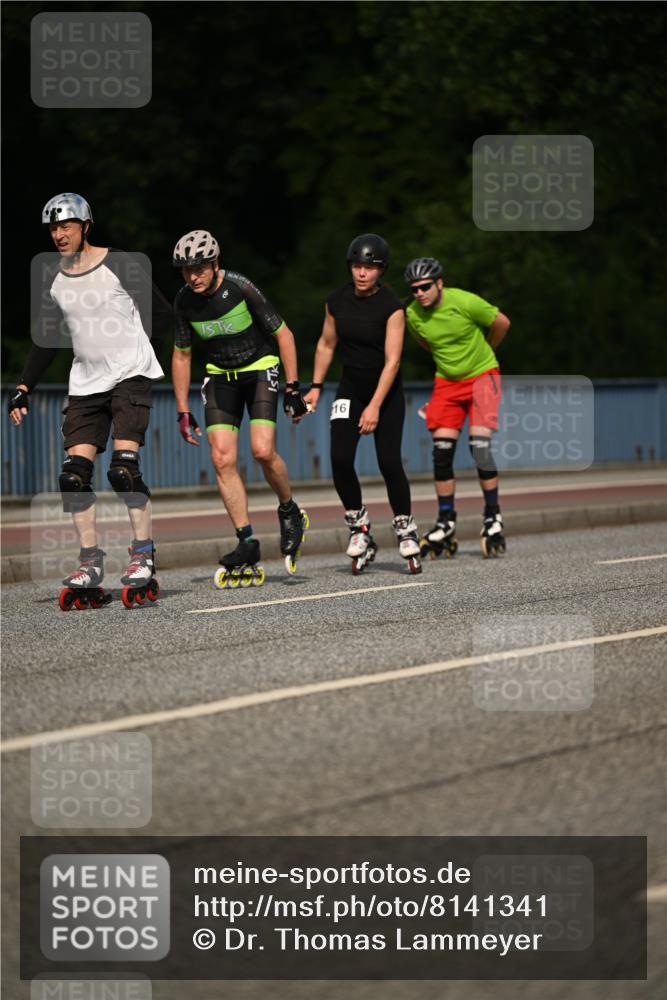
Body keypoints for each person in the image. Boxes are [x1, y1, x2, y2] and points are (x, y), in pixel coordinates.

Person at [7, 192, 171, 608]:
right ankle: (90, 562)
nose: (59, 234)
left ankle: (142, 553)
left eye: (66, 226)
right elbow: (46, 339)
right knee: (73, 476)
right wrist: (24, 386)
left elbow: (163, 315)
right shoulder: (55, 278)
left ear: (86, 226)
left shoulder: (121, 263)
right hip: (85, 383)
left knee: (123, 471)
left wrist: (132, 349)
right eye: (53, 228)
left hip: (130, 376)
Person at [171, 230, 308, 583]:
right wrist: (182, 409)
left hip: (260, 368)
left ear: (215, 264)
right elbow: (183, 355)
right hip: (220, 376)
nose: (192, 277)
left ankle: (290, 511)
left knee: (262, 451)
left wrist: (293, 388)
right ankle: (246, 541)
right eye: (186, 271)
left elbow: (284, 335)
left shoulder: (241, 287)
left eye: (199, 268)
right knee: (222, 459)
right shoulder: (184, 301)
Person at [304, 234, 421, 574]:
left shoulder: (392, 307)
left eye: (369, 268)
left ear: (381, 270)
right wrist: (315, 387)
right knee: (340, 459)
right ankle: (359, 526)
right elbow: (326, 345)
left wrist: (374, 407)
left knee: (388, 462)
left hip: (385, 394)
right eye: (357, 266)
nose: (362, 273)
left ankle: (405, 529)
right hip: (350, 389)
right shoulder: (336, 301)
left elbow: (393, 362)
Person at [403, 257, 511, 558]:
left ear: (439, 283)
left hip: (481, 376)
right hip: (447, 383)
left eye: (425, 287)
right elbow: (425, 342)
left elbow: (502, 322)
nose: (420, 293)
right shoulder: (412, 314)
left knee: (479, 447)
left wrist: (487, 350)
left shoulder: (464, 301)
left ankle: (492, 515)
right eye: (414, 289)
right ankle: (446, 519)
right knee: (441, 453)